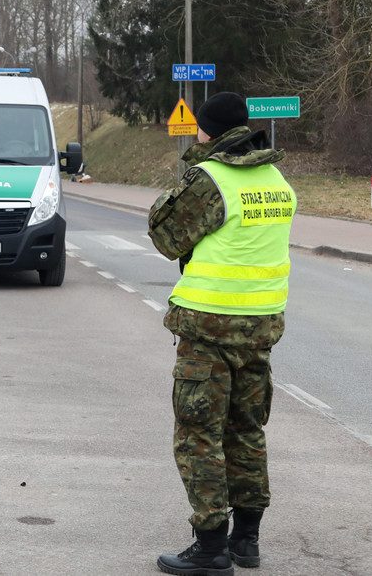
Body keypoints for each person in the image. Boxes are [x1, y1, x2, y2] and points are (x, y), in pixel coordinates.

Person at [147, 92, 296, 576]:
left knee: (199, 436)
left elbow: (167, 237)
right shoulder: (277, 181)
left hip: (209, 330)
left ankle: (210, 546)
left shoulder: (212, 180)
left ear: (208, 132)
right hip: (260, 331)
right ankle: (246, 541)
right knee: (247, 432)